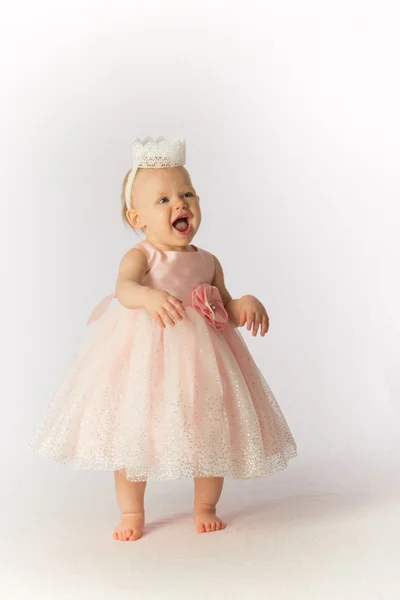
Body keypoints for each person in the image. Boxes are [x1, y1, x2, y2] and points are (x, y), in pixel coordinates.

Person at [30, 137, 297, 541]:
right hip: (144, 357)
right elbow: (124, 289)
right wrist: (148, 296)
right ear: (137, 217)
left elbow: (224, 304)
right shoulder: (141, 256)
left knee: (211, 428)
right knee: (134, 431)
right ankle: (131, 511)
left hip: (203, 361)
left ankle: (205, 505)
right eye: (163, 200)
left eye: (186, 193)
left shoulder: (208, 261)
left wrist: (245, 303)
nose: (180, 204)